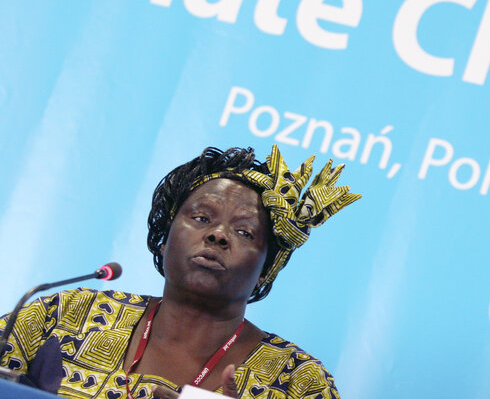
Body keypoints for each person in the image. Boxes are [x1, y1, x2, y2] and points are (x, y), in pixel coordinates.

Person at [0, 145, 361, 398]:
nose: (218, 234)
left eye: (244, 232)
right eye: (201, 218)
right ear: (164, 239)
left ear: (267, 269)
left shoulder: (297, 381)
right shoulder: (66, 315)